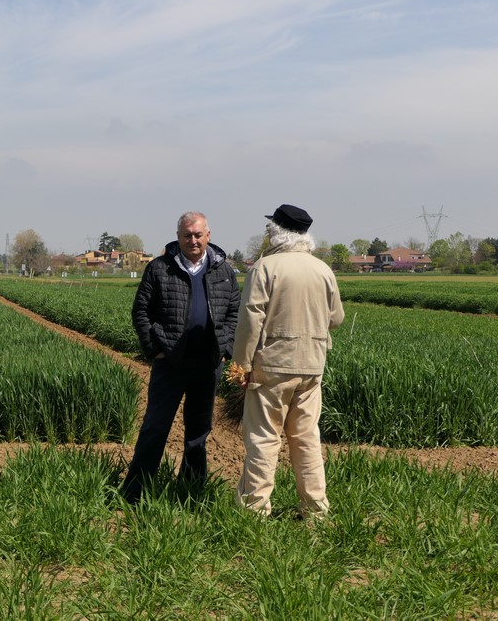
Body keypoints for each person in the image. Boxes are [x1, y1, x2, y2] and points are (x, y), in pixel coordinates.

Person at [232, 204, 345, 519]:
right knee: (306, 438)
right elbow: (336, 318)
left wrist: (240, 366)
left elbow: (250, 320)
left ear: (276, 231)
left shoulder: (265, 267)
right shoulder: (323, 270)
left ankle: (254, 511)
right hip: (312, 366)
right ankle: (316, 511)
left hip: (272, 367)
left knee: (264, 438)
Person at [121, 211, 240, 503]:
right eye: (187, 235)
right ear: (178, 237)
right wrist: (155, 348)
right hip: (170, 362)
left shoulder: (223, 271)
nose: (193, 240)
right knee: (156, 426)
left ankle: (192, 491)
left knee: (198, 431)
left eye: (198, 235)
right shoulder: (160, 268)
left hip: (208, 363)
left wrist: (226, 349)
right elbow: (141, 312)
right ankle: (135, 491)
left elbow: (235, 312)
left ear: (208, 236)